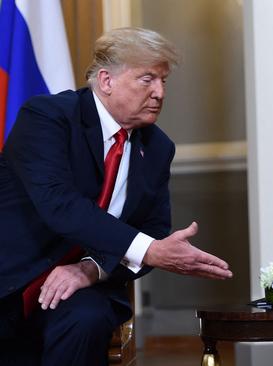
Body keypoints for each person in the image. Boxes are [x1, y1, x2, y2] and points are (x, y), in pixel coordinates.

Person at [0, 27, 233, 365]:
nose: (159, 92)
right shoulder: (48, 117)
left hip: (78, 291)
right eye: (148, 79)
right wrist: (150, 250)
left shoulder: (157, 148)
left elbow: (153, 228)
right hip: (12, 279)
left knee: (87, 318)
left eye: (164, 81)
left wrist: (91, 270)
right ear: (107, 81)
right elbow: (59, 203)